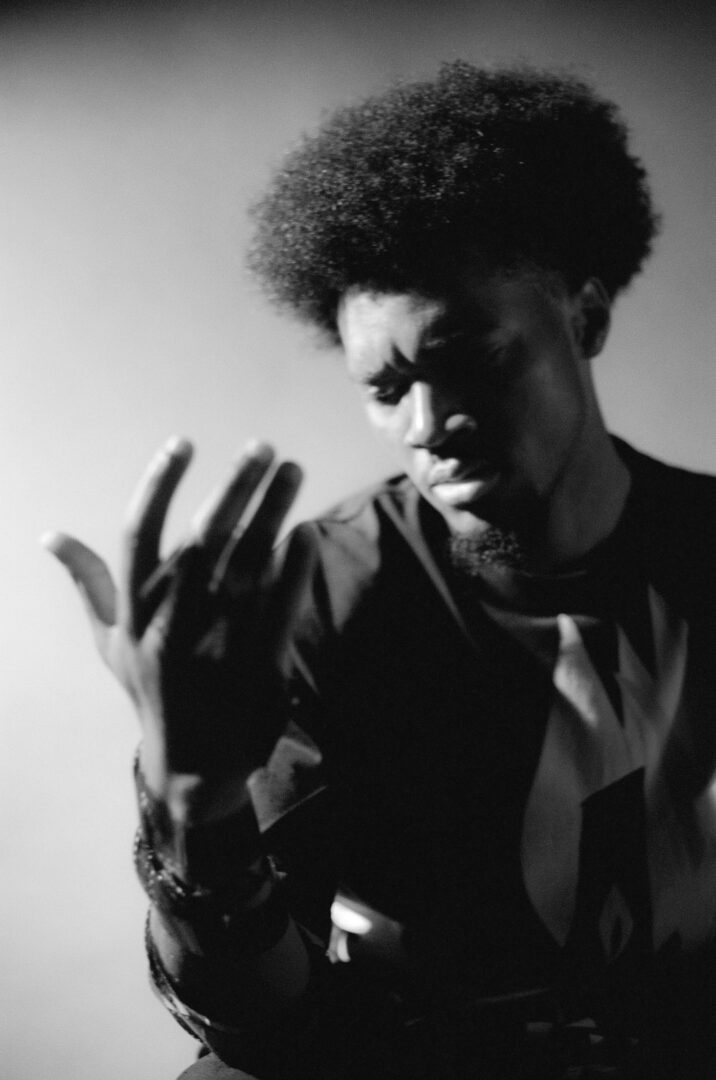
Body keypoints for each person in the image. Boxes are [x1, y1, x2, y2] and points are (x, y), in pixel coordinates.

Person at [44, 62, 716, 1079]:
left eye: (470, 357)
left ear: (584, 316)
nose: (426, 424)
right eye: (387, 387)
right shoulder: (317, 597)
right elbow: (264, 1027)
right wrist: (194, 806)